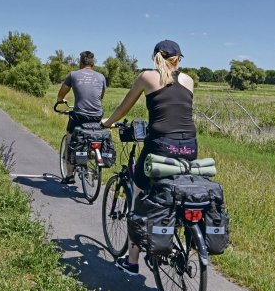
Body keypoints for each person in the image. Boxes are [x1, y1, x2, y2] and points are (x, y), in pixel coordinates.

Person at [101, 40, 197, 275]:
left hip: (160, 146)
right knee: (174, 192)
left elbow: (124, 107)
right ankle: (170, 234)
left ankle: (132, 262)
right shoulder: (188, 80)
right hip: (189, 147)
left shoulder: (147, 77)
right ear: (179, 59)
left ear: (155, 57)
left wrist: (108, 122)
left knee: (140, 194)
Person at [56, 51, 106, 184]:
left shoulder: (73, 75)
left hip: (79, 115)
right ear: (93, 64)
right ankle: (91, 153)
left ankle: (69, 175)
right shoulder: (101, 77)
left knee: (69, 138)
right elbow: (100, 97)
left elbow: (61, 94)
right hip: (97, 115)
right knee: (93, 133)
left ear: (80, 63)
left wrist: (61, 100)